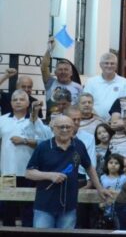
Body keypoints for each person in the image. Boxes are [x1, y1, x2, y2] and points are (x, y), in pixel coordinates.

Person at [24, 114, 109, 228]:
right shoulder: (43, 147)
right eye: (61, 127)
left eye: (68, 127)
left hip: (69, 207)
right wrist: (50, 176)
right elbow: (29, 173)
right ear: (53, 129)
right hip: (44, 206)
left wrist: (99, 188)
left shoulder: (79, 145)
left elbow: (89, 167)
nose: (65, 130)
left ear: (73, 128)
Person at [0, 91, 47, 227]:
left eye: (21, 99)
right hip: (7, 172)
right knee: (8, 208)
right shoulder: (2, 120)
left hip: (29, 172)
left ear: (28, 103)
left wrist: (24, 141)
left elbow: (44, 142)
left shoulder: (35, 121)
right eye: (15, 100)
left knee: (28, 208)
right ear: (11, 103)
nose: (18, 102)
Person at [82, 53, 126, 121]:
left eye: (112, 63)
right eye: (106, 63)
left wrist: (115, 120)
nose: (109, 66)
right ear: (100, 65)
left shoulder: (124, 82)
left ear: (116, 66)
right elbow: (86, 101)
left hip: (116, 122)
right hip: (94, 121)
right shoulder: (91, 82)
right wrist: (97, 119)